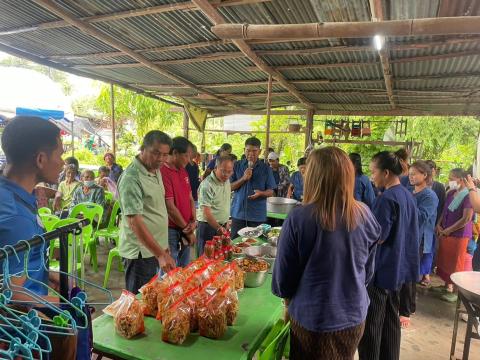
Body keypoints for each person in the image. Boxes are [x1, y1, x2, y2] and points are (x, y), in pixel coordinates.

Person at [272, 147, 380, 360]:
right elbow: (367, 273)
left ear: (313, 176)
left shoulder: (299, 218)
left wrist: (287, 305)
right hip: (354, 316)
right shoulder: (365, 214)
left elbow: (284, 281)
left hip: (313, 318)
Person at [358, 151, 419, 360]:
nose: (371, 176)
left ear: (385, 173)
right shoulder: (406, 195)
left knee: (372, 324)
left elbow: (378, 237)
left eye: (373, 172)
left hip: (382, 270)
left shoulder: (386, 199)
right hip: (399, 270)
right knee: (391, 321)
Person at [0, 116, 64, 301]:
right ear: (41, 159)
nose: (63, 163)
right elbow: (9, 296)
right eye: (59, 154)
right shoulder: (16, 217)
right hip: (19, 327)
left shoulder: (14, 195)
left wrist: (44, 273)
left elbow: (15, 265)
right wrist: (64, 305)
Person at [118, 130, 175, 294]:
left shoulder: (155, 170)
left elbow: (156, 209)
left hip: (155, 249)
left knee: (154, 297)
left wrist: (162, 247)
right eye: (156, 153)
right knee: (140, 302)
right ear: (142, 149)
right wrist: (160, 254)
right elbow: (135, 222)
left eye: (165, 155)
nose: (161, 159)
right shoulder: (131, 178)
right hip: (140, 253)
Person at [397, 161, 438, 329]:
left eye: (415, 174)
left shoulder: (430, 196)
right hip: (405, 237)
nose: (411, 176)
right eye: (410, 173)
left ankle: (406, 311)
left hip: (419, 239)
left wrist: (404, 206)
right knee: (408, 273)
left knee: (409, 273)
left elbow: (420, 217)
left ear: (425, 176)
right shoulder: (408, 191)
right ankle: (409, 306)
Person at [433, 168, 474, 303]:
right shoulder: (451, 193)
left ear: (461, 180)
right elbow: (444, 211)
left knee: (457, 263)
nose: (449, 181)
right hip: (445, 232)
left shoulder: (468, 196)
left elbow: (466, 218)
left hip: (459, 235)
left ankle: (456, 292)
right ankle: (446, 286)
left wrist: (449, 230)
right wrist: (439, 225)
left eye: (452, 178)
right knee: (445, 261)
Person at [230, 137, 276, 239]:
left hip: (257, 215)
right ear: (244, 150)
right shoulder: (236, 165)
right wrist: (243, 178)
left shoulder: (266, 169)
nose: (251, 154)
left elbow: (271, 192)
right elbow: (229, 187)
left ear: (259, 151)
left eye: (254, 151)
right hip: (238, 213)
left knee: (256, 244)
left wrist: (261, 193)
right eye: (248, 150)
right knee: (235, 243)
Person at [161, 137, 196, 267]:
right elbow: (170, 207)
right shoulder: (163, 172)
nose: (189, 160)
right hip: (171, 229)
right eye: (186, 156)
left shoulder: (183, 170)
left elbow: (190, 198)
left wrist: (193, 221)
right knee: (170, 268)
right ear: (175, 153)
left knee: (184, 266)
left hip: (185, 227)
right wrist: (187, 230)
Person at [196, 156, 233, 256]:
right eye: (223, 171)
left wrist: (226, 221)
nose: (226, 175)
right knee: (205, 259)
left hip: (221, 226)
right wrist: (218, 228)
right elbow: (206, 213)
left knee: (219, 257)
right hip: (207, 227)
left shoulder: (226, 180)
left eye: (229, 171)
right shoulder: (207, 185)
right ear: (216, 168)